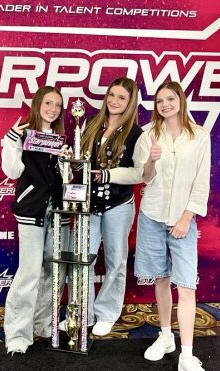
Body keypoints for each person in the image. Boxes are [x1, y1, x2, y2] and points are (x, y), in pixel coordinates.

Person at [134, 81, 213, 371]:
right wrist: (151, 160)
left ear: (180, 100)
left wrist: (186, 217)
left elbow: (201, 182)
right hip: (152, 217)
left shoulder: (200, 136)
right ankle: (166, 336)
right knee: (161, 279)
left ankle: (188, 357)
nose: (165, 104)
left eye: (170, 98)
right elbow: (144, 178)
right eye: (160, 100)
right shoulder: (148, 135)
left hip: (183, 221)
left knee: (187, 286)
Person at [61, 77, 144, 337]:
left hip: (119, 204)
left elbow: (139, 173)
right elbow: (81, 161)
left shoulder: (136, 134)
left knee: (115, 261)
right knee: (82, 259)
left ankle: (107, 313)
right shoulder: (90, 123)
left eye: (122, 97)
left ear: (130, 103)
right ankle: (81, 314)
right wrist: (69, 159)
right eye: (112, 95)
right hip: (89, 204)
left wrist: (108, 175)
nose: (115, 101)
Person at [1, 86, 69, 355]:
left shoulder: (62, 139)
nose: (53, 109)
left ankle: (43, 325)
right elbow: (12, 170)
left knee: (54, 271)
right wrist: (11, 140)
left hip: (58, 212)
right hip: (31, 211)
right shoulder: (23, 134)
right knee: (29, 272)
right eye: (48, 103)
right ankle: (18, 335)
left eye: (58, 105)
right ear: (38, 103)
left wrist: (66, 161)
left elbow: (66, 179)